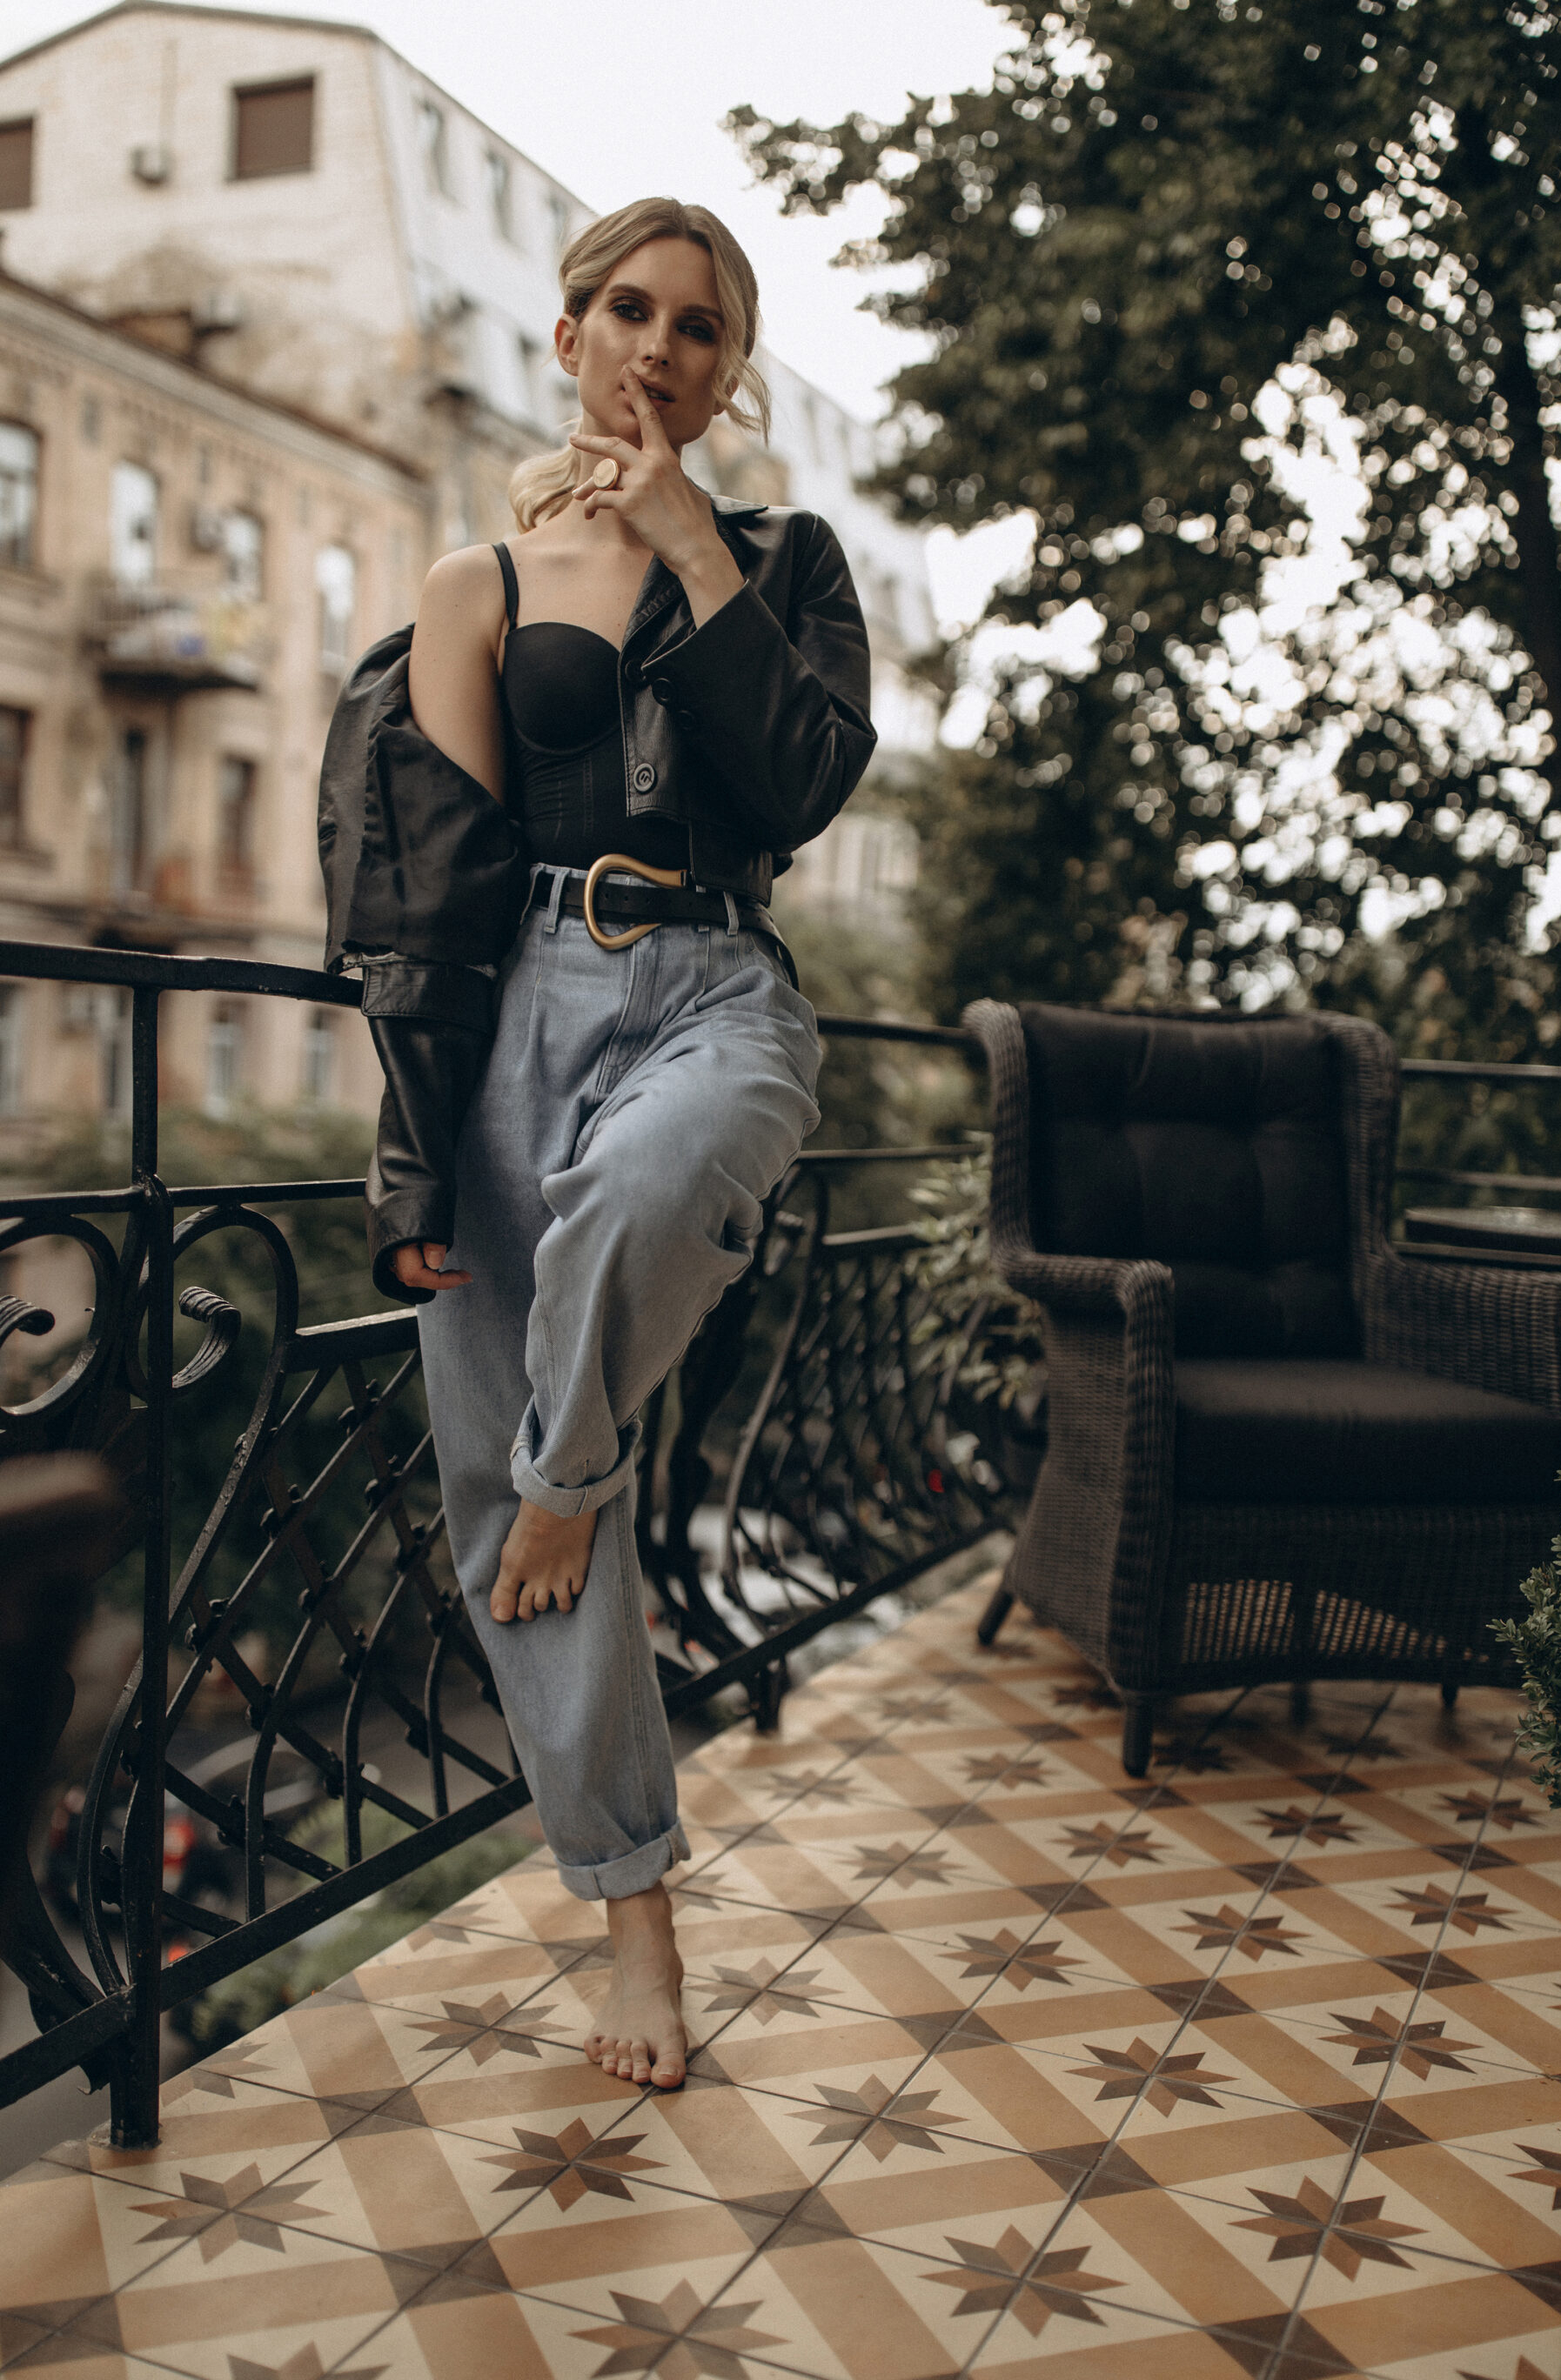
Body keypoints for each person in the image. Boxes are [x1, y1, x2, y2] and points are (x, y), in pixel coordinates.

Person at [318, 197, 875, 2090]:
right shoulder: (474, 583)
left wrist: (686, 543)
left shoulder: (786, 563)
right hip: (515, 1009)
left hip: (715, 984)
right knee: (499, 1513)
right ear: (568, 336)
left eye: (702, 328)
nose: (661, 345)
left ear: (728, 375)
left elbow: (798, 782)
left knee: (645, 1200)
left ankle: (577, 1459)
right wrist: (414, 1153)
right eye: (628, 310)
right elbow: (430, 901)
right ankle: (636, 1920)